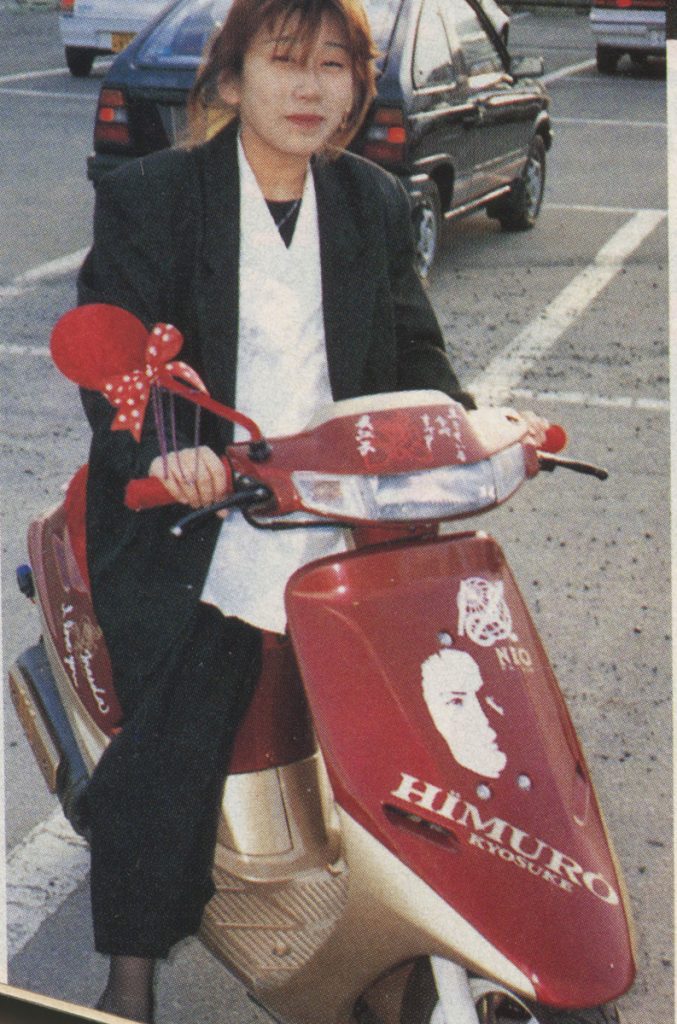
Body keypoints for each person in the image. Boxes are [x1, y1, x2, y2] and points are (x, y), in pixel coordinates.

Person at [73, 0, 506, 1018]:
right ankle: (129, 969)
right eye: (283, 62)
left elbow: (417, 356)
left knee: (437, 730)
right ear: (229, 82)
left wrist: (470, 427)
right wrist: (174, 455)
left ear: (360, 86)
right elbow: (117, 357)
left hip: (344, 516)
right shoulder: (152, 198)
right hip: (194, 519)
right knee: (179, 727)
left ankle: (391, 937)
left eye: (334, 66)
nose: (310, 87)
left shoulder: (371, 203)